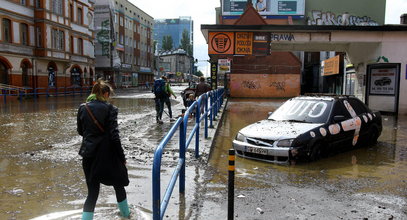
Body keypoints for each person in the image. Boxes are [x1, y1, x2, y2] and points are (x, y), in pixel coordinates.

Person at [77, 80, 130, 220]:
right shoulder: (110, 109)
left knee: (92, 193)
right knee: (119, 186)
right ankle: (126, 216)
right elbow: (114, 137)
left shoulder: (83, 108)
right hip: (108, 156)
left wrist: (92, 137)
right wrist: (122, 158)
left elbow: (80, 131)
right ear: (106, 94)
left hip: (88, 155)